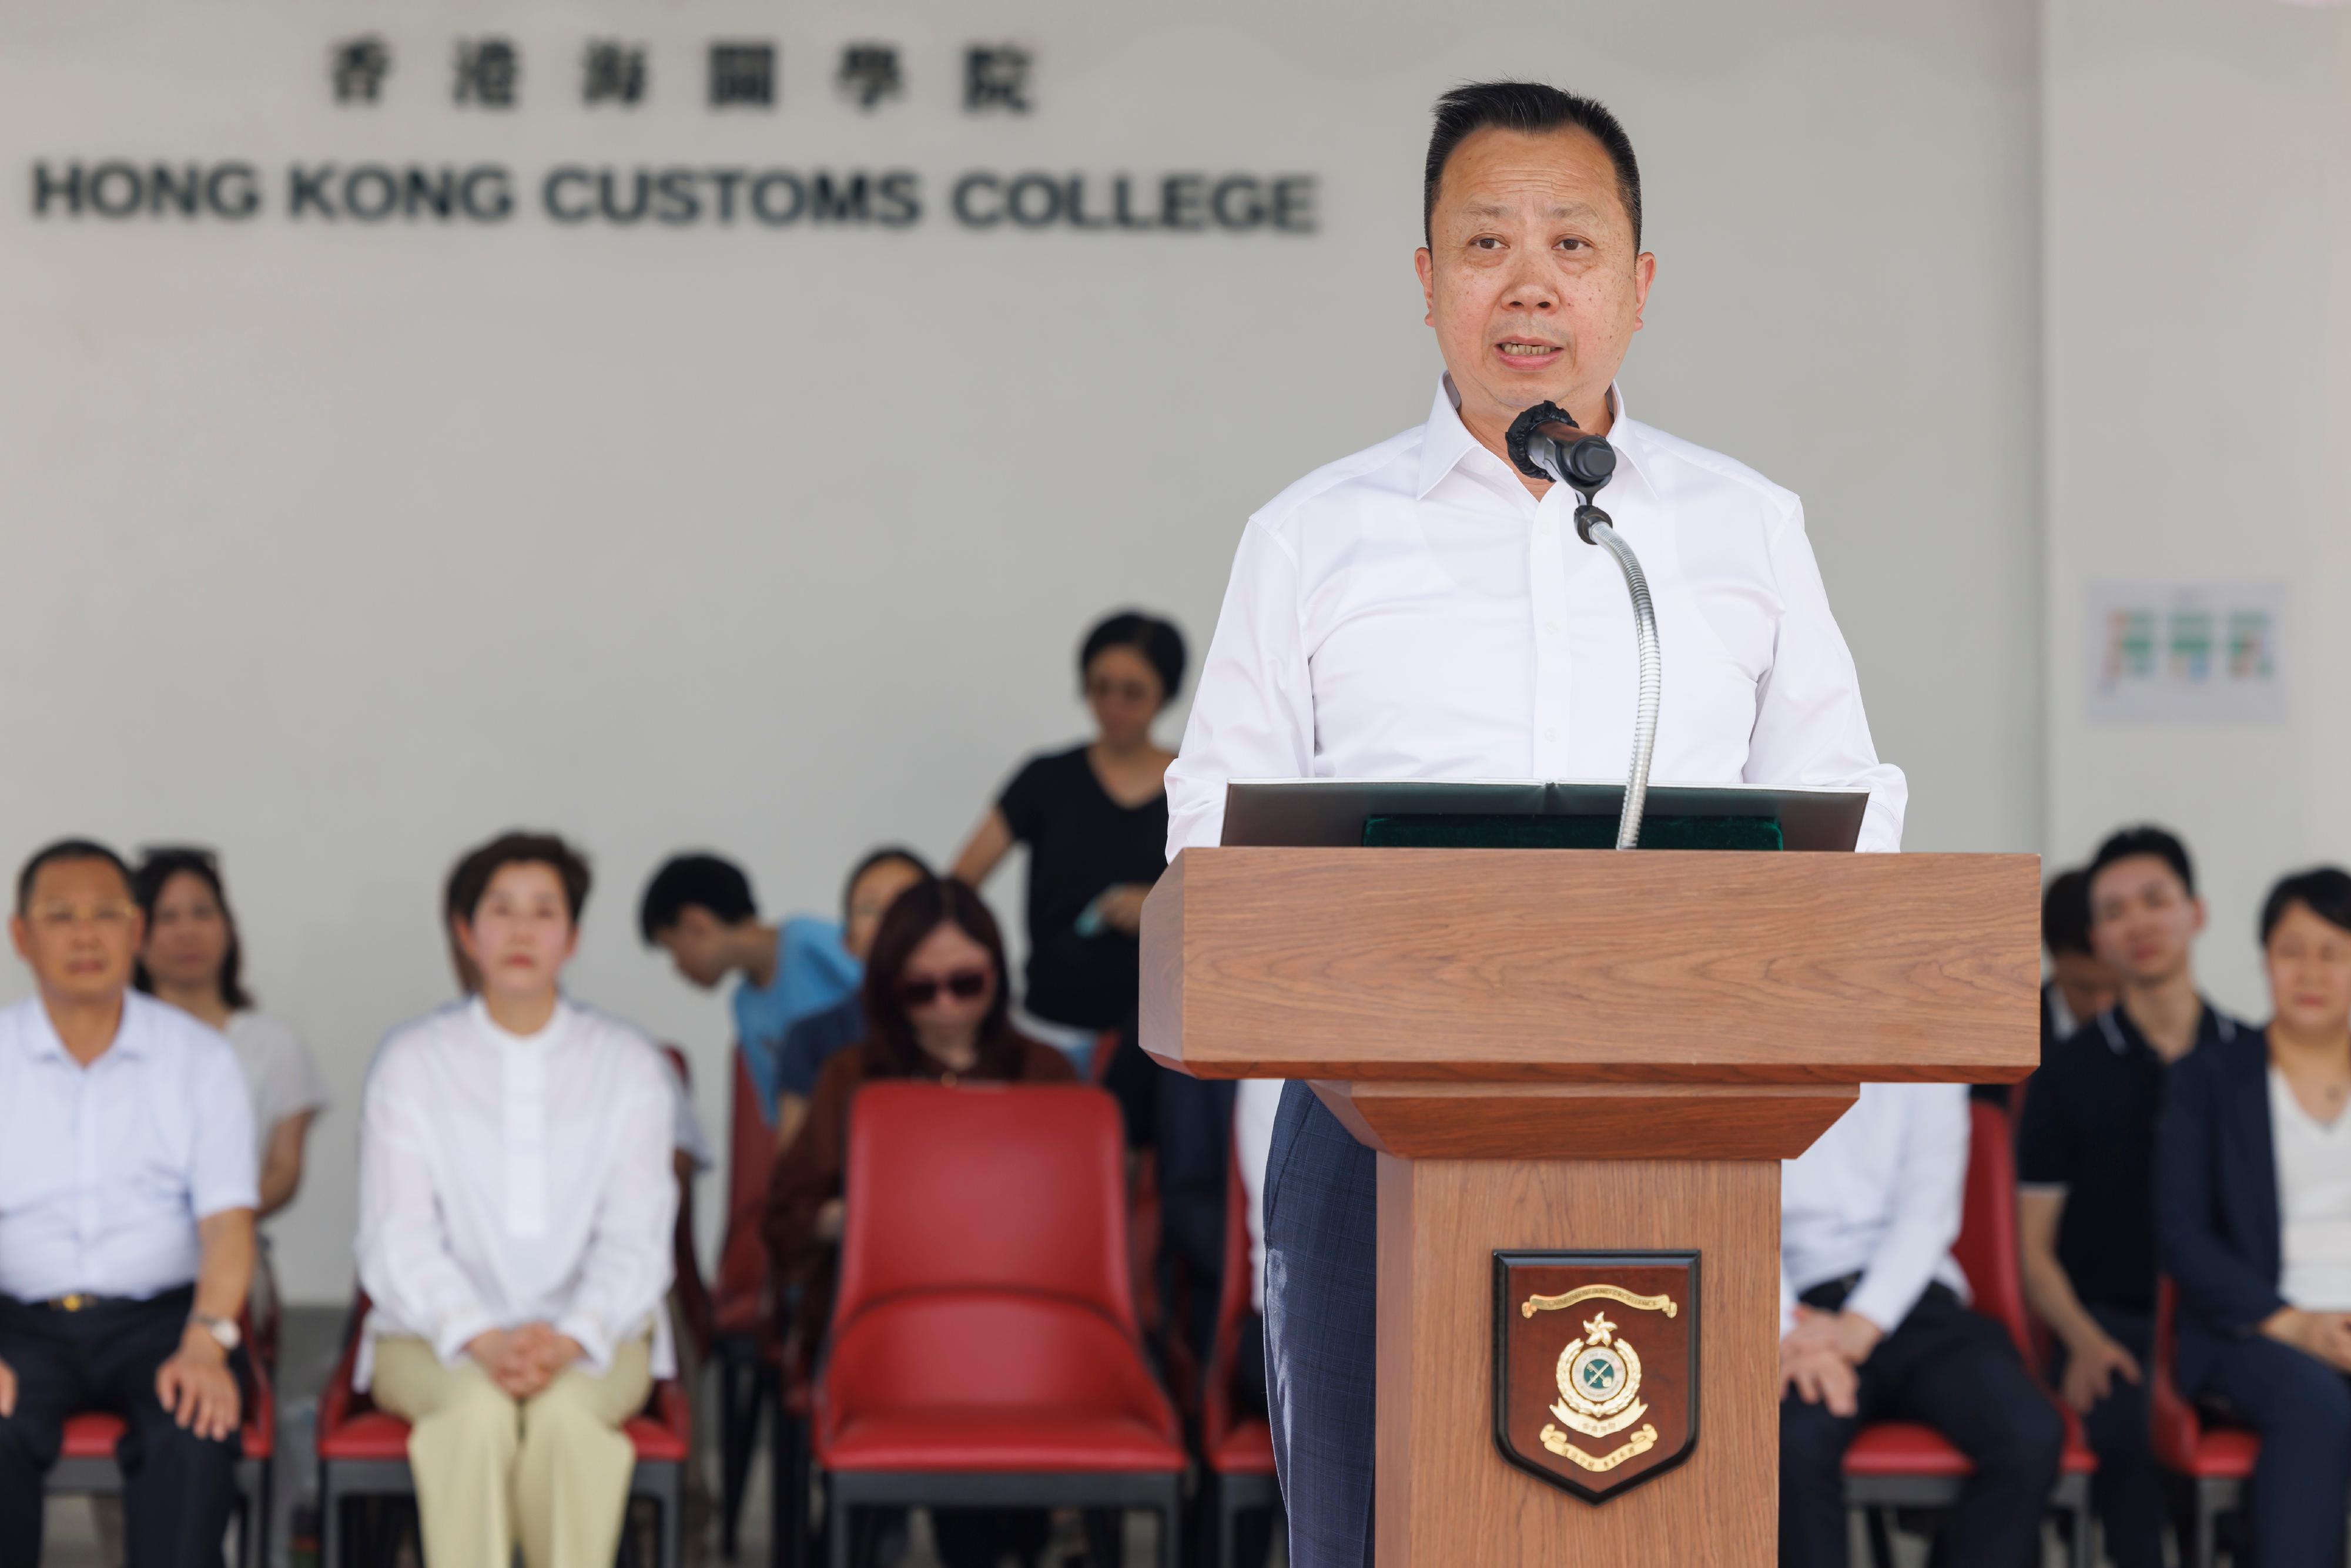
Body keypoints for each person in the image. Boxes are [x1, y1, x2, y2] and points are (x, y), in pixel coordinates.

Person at [1162, 81, 1906, 1565]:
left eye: (1571, 242)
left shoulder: (1742, 525)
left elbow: (1846, 823)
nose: (1529, 282)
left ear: (1637, 287)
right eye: (1485, 240)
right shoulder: (1311, 534)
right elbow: (1210, 838)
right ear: (1425, 283)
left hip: (1675, 1124)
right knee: (1364, 1533)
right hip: (1366, 1122)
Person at [357, 832, 676, 1568]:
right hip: (428, 1337)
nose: (523, 930)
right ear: (467, 933)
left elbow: (637, 1234)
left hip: (602, 1334)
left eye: (545, 911)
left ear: (574, 937)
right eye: (501, 910)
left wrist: (570, 1336)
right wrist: (480, 1335)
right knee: (473, 1415)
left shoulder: (626, 1065)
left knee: (568, 1420)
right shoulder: (412, 1063)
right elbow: (396, 1233)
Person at [763, 876, 1073, 1568]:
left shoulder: (1041, 1072)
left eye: (965, 982)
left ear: (995, 970)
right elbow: (785, 1217)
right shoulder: (854, 1076)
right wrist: (863, 1217)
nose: (944, 1007)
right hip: (883, 1326)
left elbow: (1086, 1221)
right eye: (920, 989)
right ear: (887, 988)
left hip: (1022, 1326)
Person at [0, 839, 256, 1568]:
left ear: (136, 931)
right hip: (17, 1321)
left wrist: (207, 1342)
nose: (86, 935)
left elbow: (229, 1221)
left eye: (107, 914)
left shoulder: (200, 1060)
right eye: (61, 916)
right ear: (22, 936)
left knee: (195, 1423)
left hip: (162, 1320)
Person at [2017, 826, 2242, 1568]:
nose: (2138, 923)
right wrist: (2081, 1340)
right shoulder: (2062, 1074)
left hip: (2228, 1331)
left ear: (2196, 912)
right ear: (2097, 937)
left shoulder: (2251, 1061)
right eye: (2115, 911)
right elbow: (2032, 1248)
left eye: (2155, 900)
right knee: (2127, 1449)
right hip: (2108, 1331)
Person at [1779, 1084, 2064, 1567]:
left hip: (1916, 1301)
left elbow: (1927, 1213)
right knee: (1789, 1445)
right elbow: (1730, 1207)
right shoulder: (1744, 1062)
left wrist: (1862, 1322)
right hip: (1802, 1312)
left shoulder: (1928, 1068)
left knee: (2030, 1434)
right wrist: (1788, 1332)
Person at [2158, 866, 2351, 1567]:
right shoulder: (2208, 1079)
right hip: (2251, 1329)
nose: (2311, 971)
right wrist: (2295, 1323)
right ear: (2264, 958)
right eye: (2291, 949)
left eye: (2333, 951)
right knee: (2316, 1402)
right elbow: (2181, 1234)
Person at [952, 611, 1185, 1069]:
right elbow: (958, 887)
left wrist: (1161, 909)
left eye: (1132, 692)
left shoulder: (1194, 788)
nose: (1113, 706)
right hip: (1048, 1033)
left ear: (1166, 695)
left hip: (1160, 1048)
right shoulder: (1046, 780)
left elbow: (1236, 903)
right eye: (1100, 688)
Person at [133, 848, 329, 1227]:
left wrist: (213, 1227)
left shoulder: (273, 1043)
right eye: (167, 917)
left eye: (202, 913)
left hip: (232, 1255)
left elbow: (283, 1172)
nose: (187, 932)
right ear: (136, 936)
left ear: (228, 926)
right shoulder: (110, 1041)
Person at [639, 853, 860, 1124]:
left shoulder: (807, 941)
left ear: (696, 923)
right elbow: (781, 1114)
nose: (678, 968)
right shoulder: (744, 1005)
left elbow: (894, 993)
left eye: (673, 949)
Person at [769, 846, 932, 1149]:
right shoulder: (810, 1040)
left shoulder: (977, 1027)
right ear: (848, 942)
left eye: (905, 903)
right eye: (870, 908)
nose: (889, 920)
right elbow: (794, 1181)